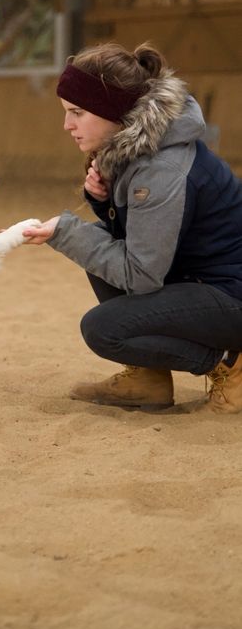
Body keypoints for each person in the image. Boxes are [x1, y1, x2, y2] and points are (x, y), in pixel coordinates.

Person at [22, 42, 242, 414]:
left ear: (113, 109)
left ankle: (231, 362)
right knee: (101, 243)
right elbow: (139, 234)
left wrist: (66, 233)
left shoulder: (162, 169)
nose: (67, 125)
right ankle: (149, 379)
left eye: (77, 111)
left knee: (103, 329)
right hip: (202, 279)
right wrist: (104, 201)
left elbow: (141, 275)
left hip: (231, 294)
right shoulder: (140, 148)